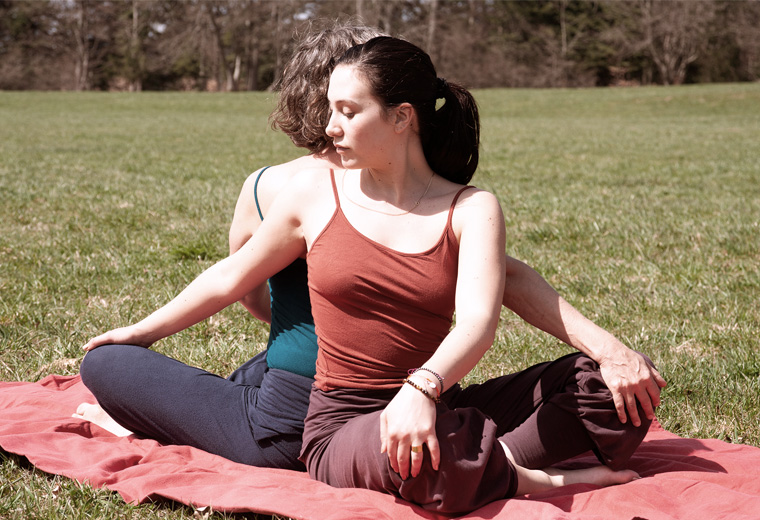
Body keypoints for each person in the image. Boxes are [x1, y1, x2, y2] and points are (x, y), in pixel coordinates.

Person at [82, 35, 660, 514]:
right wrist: (140, 334)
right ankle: (521, 475)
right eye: (331, 109)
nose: (329, 128)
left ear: (403, 117)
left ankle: (478, 459)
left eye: (347, 112)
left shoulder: (471, 208)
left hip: (433, 402)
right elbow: (230, 277)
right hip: (340, 423)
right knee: (103, 361)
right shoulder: (312, 190)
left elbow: (478, 323)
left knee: (608, 386)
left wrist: (423, 390)